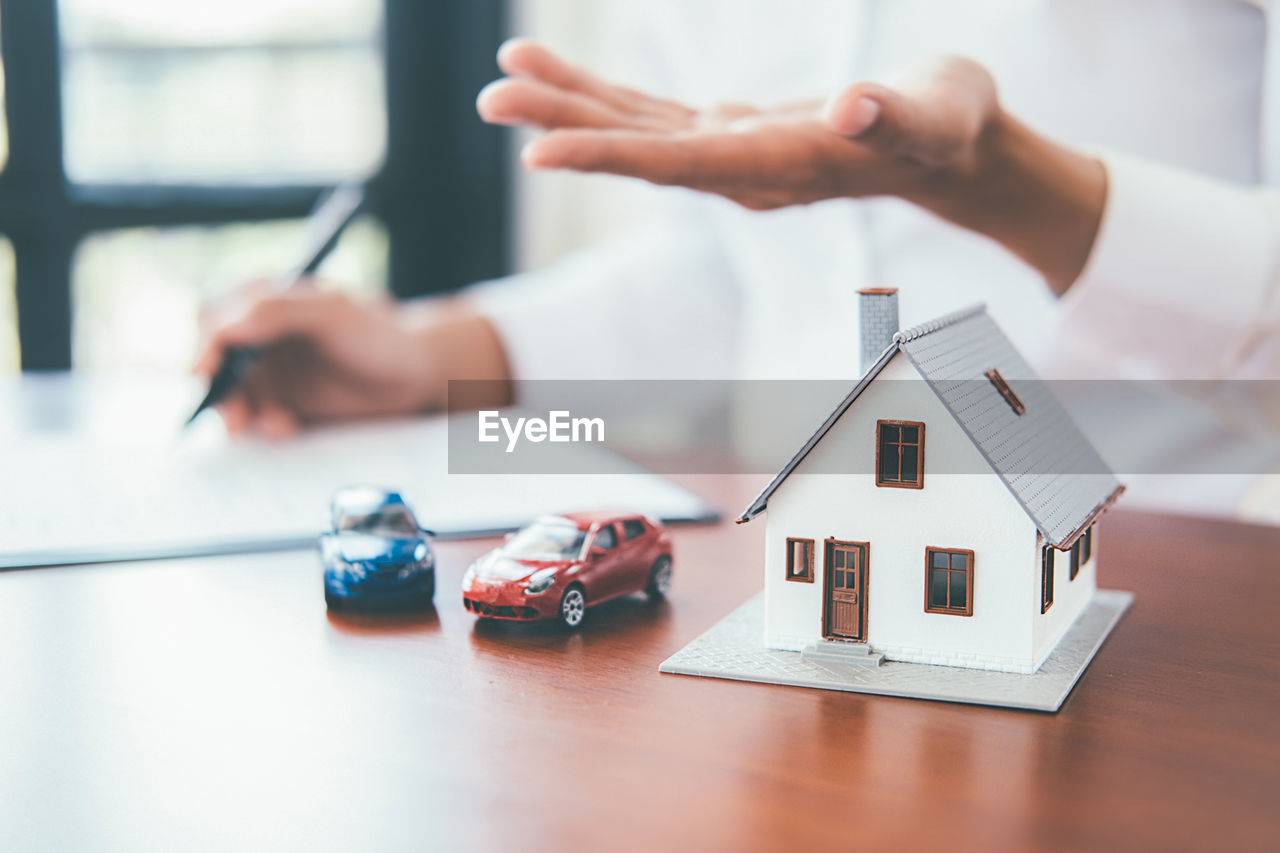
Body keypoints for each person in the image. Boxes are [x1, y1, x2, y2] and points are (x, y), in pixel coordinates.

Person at [196, 0, 1278, 504]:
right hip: (792, 624)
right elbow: (741, 273)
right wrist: (433, 352)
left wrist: (1011, 188)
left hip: (1193, 613)